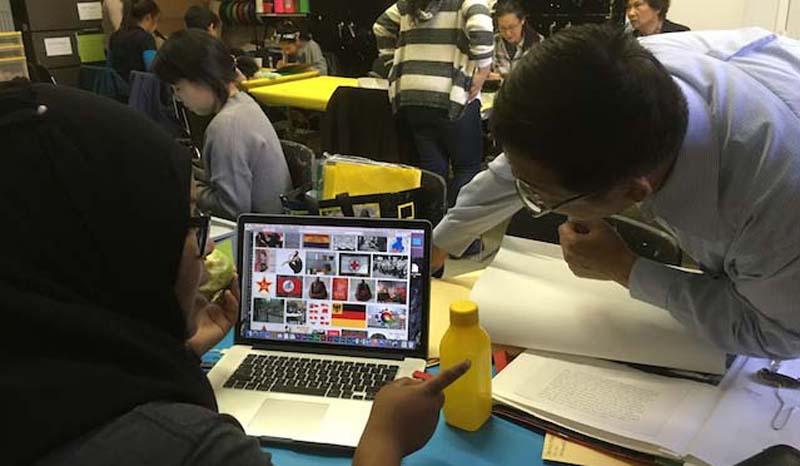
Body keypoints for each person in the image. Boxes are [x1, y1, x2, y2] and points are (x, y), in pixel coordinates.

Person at [0, 79, 471, 466]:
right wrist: (385, 440)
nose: (205, 250)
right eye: (188, 224)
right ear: (127, 248)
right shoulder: (189, 450)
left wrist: (177, 354)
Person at [432, 25, 800, 359]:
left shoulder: (776, 207)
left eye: (542, 198)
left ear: (635, 192)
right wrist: (441, 243)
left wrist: (626, 269)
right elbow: (528, 157)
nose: (531, 195)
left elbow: (777, 333)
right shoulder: (622, 74)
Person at [153, 30, 292, 220]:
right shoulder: (244, 102)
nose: (177, 97)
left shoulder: (226, 127)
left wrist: (190, 189)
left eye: (178, 88)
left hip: (257, 232)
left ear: (203, 79)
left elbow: (231, 209)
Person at [374, 0, 494, 206]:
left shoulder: (406, 4)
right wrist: (483, 69)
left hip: (412, 96)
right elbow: (479, 21)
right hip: (451, 95)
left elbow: (381, 26)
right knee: (467, 168)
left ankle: (434, 221)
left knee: (433, 172)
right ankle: (456, 225)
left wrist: (393, 65)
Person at [109, 0, 160, 82]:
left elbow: (110, 67)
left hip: (118, 87)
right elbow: (154, 71)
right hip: (140, 87)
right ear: (148, 17)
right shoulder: (146, 38)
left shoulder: (115, 36)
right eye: (157, 20)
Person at [490, 0, 543, 80]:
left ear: (522, 20)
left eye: (512, 27)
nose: (508, 33)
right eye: (503, 28)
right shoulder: (492, 43)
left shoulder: (538, 44)